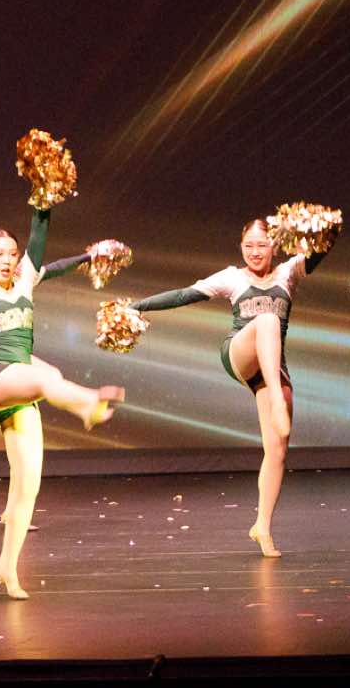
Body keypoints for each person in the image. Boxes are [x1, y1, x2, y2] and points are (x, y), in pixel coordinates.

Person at [0, 206, 123, 598]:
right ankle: (87, 403)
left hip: (23, 383)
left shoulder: (25, 280)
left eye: (12, 254)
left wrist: (48, 208)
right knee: (48, 378)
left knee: (27, 482)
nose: (7, 260)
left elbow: (47, 250)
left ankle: (6, 567)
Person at [130, 216, 334, 557]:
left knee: (277, 449)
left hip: (272, 366)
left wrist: (322, 224)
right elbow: (183, 295)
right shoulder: (232, 277)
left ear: (276, 245)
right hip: (239, 354)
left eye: (262, 245)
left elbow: (323, 247)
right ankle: (277, 400)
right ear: (241, 247)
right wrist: (137, 306)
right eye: (248, 246)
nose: (255, 252)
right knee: (266, 320)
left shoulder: (288, 272)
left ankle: (262, 527)